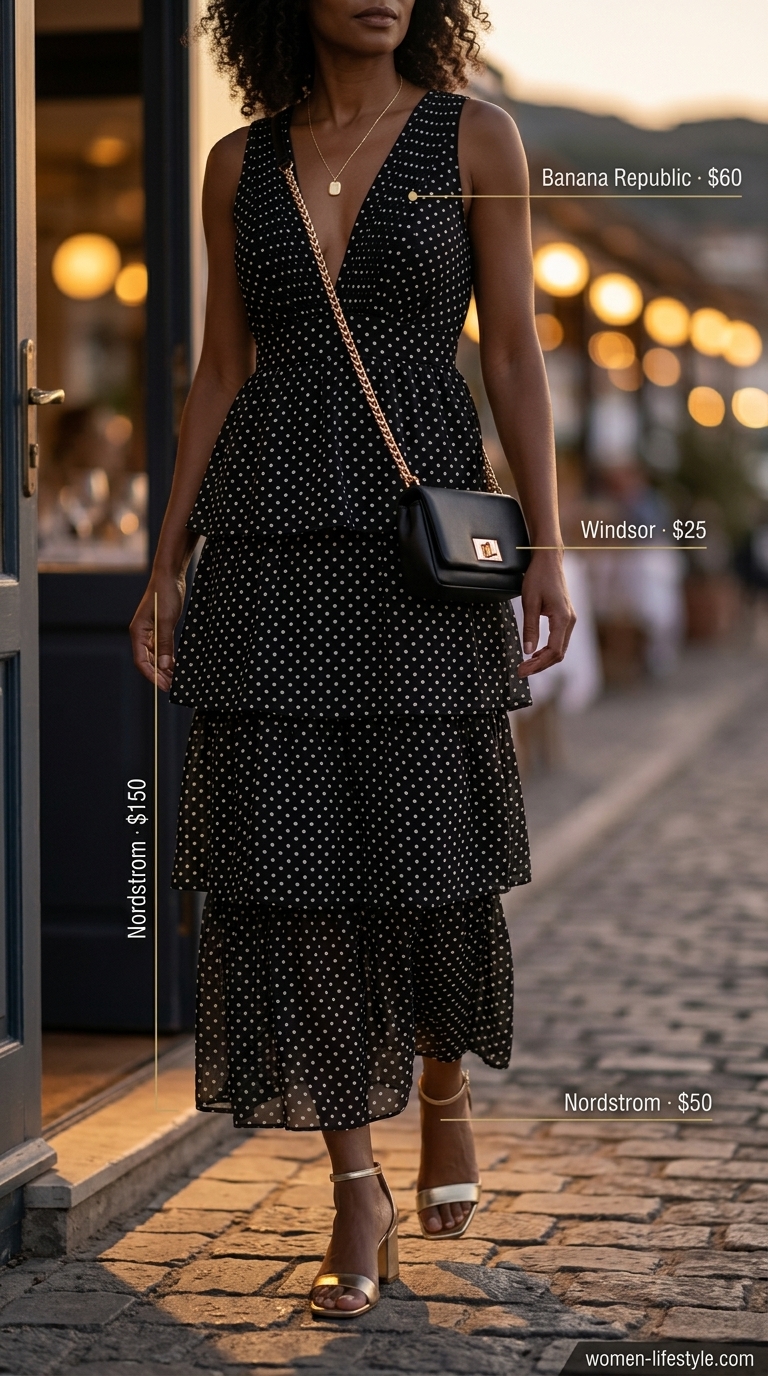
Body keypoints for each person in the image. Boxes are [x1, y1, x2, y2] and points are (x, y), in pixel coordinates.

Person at [130, 0, 573, 1322]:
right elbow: (217, 372)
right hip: (270, 542)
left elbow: (512, 351)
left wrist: (550, 543)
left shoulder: (475, 138)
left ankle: (440, 1084)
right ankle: (354, 1181)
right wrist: (165, 563)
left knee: (432, 855)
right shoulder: (236, 166)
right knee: (290, 864)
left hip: (420, 546)